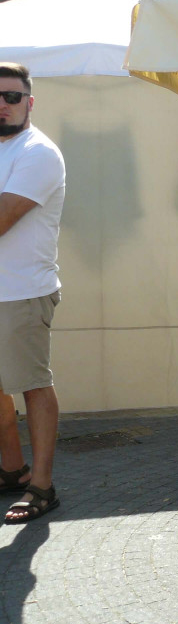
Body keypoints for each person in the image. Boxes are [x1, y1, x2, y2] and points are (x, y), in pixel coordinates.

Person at [0, 62, 66, 524]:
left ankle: (42, 486)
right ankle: (12, 470)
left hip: (21, 292)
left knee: (32, 384)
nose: (3, 105)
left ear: (29, 102)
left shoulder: (38, 152)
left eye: (12, 97)